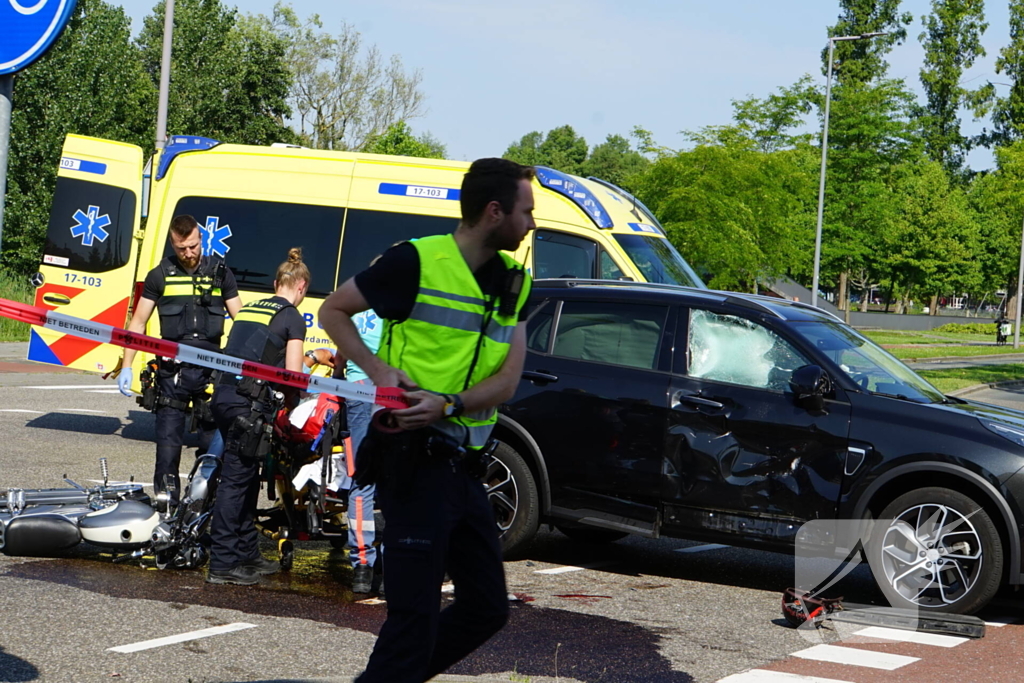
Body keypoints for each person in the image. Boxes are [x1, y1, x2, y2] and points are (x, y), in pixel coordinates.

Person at [319, 157, 535, 682]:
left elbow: (507, 382)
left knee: (487, 608)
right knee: (413, 616)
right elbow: (332, 310)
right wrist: (378, 370)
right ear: (493, 211)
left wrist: (451, 403)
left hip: (465, 468)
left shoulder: (514, 282)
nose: (532, 222)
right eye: (526, 211)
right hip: (411, 463)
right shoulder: (414, 261)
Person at [118, 215, 241, 502]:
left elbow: (241, 320)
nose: (188, 254)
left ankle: (206, 502)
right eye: (181, 248)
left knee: (213, 446)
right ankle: (167, 505)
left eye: (193, 246)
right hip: (172, 374)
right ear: (172, 243)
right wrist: (126, 366)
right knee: (168, 446)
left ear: (201, 239)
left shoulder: (220, 273)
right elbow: (137, 324)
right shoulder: (160, 275)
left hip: (212, 372)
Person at [206, 247, 310, 586]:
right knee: (235, 483)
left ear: (276, 282)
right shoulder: (293, 317)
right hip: (246, 405)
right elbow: (293, 376)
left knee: (248, 477)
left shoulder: (251, 308)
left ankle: (247, 552)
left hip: (223, 397)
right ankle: (222, 563)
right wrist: (295, 410)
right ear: (301, 286)